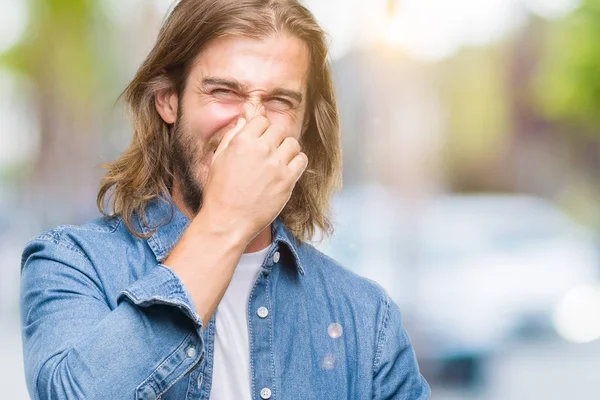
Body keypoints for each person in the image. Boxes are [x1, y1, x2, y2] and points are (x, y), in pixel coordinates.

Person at [20, 0, 431, 398]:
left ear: (304, 126)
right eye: (224, 92)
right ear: (168, 100)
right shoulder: (72, 264)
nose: (250, 124)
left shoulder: (367, 317)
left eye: (279, 101)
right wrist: (228, 219)